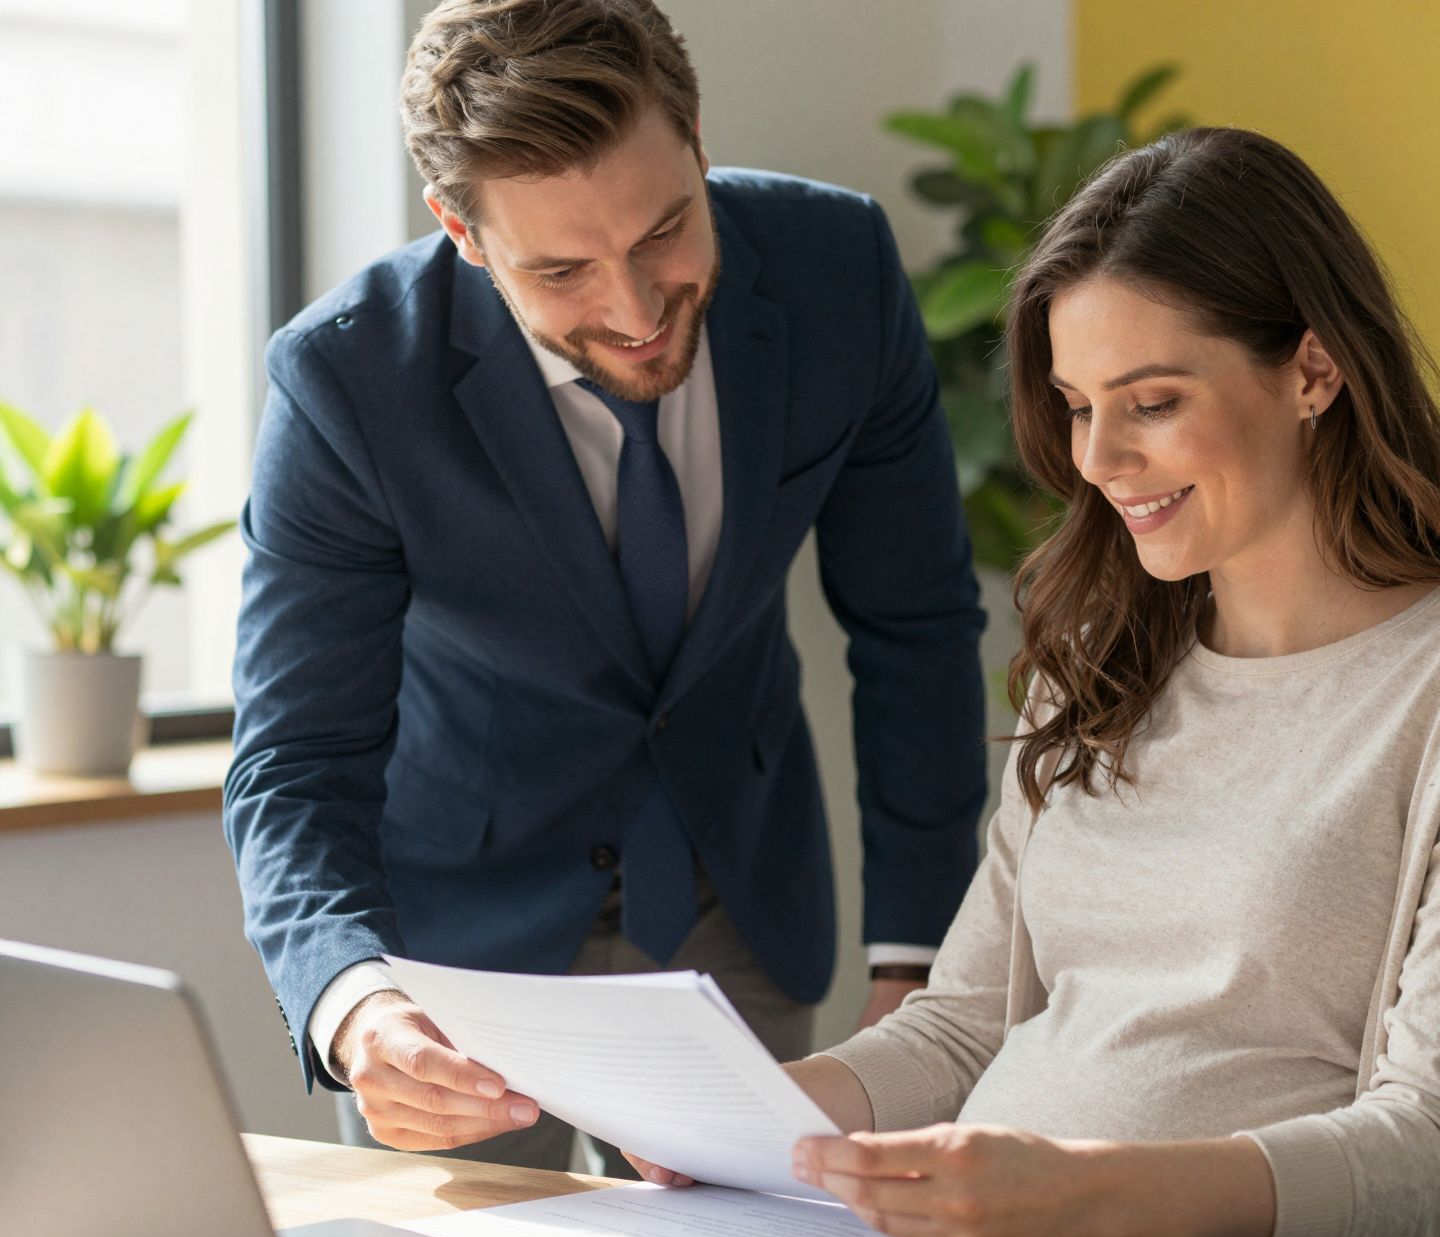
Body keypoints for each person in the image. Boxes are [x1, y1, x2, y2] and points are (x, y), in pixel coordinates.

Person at [627, 126, 1440, 1237]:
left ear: (1311, 371)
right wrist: (747, 1120)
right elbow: (962, 1027)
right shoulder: (1099, 661)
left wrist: (1081, 1192)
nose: (1098, 459)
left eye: (1150, 403)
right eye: (1076, 405)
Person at [223, 0, 986, 1170]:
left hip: (739, 909)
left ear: (696, 135)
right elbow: (295, 761)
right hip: (455, 966)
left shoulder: (837, 272)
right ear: (462, 232)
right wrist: (355, 1008)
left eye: (665, 231)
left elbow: (914, 632)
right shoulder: (349, 381)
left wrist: (917, 972)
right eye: (563, 269)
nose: (635, 312)